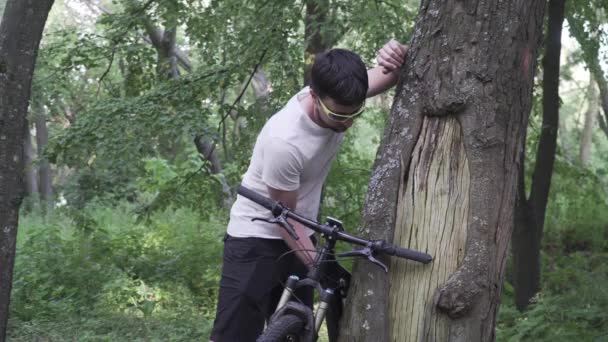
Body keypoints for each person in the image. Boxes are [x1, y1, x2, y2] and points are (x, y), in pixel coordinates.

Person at [209, 39, 408, 342]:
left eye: (355, 114)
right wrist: (321, 265)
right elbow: (284, 219)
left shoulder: (340, 93)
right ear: (314, 96)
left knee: (300, 331)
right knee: (234, 336)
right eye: (339, 117)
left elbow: (388, 74)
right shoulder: (285, 143)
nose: (347, 123)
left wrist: (399, 52)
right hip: (256, 238)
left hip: (300, 233)